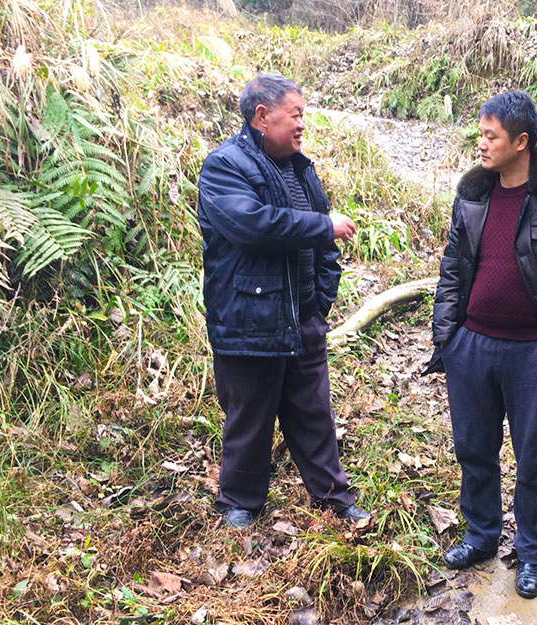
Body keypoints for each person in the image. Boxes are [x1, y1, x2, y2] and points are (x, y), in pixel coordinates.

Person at [425, 91, 537, 598]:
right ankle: (481, 536)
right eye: (480, 134)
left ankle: (530, 553)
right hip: (471, 348)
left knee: (533, 458)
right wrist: (448, 337)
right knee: (473, 449)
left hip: (535, 355)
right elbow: (452, 269)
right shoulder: (472, 195)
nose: (481, 144)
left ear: (521, 141)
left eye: (491, 136)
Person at [196, 73, 369, 529]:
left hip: (302, 318)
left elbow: (324, 247)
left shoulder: (300, 169)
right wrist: (323, 226)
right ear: (262, 116)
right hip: (249, 320)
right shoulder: (224, 167)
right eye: (295, 115)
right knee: (249, 416)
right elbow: (254, 225)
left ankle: (333, 498)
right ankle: (239, 502)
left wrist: (319, 302)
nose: (302, 125)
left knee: (314, 414)